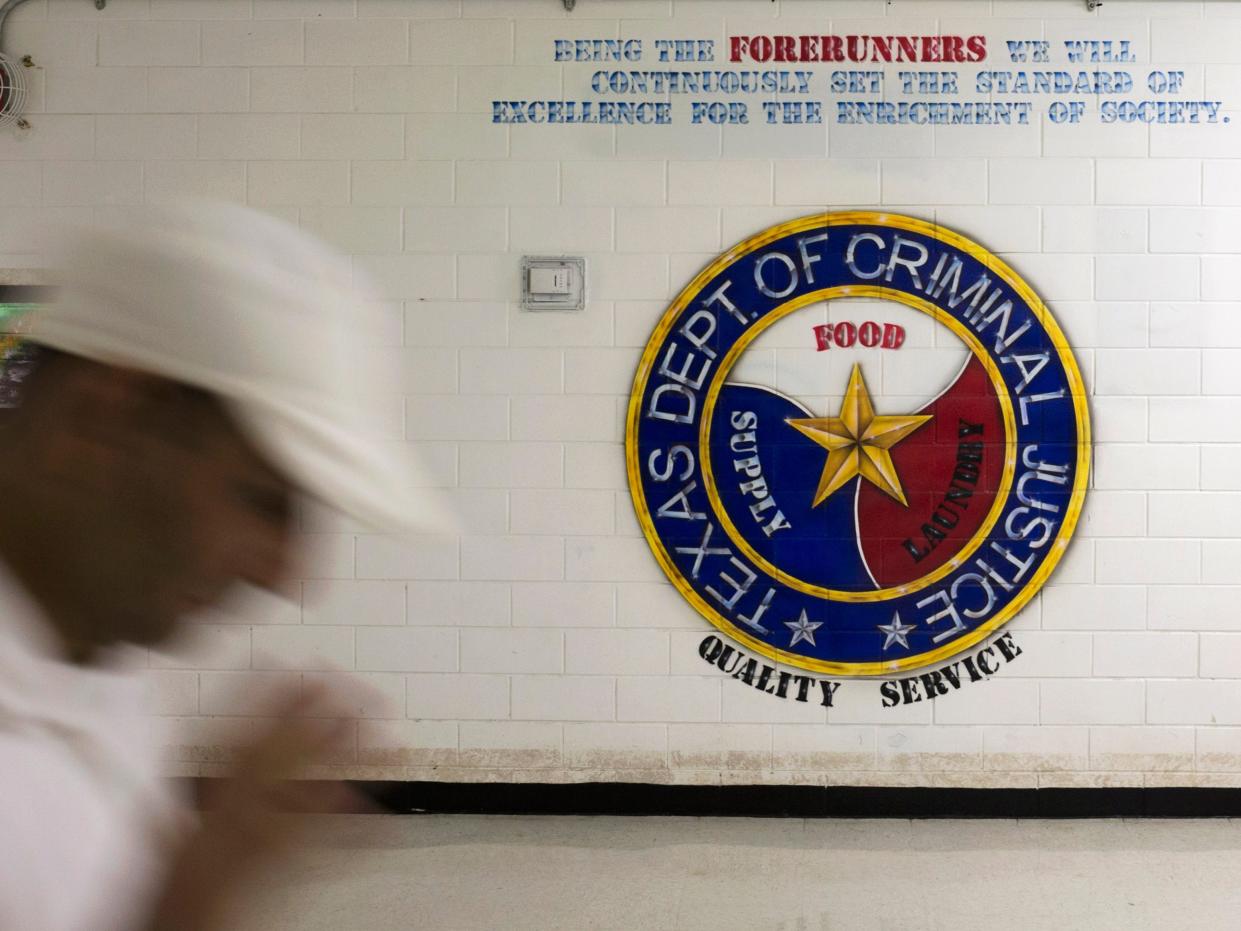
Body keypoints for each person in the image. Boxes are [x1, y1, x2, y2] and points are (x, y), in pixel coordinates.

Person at [0, 203, 448, 930]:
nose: (286, 574)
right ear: (101, 419)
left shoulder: (94, 662)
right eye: (262, 499)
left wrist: (204, 873)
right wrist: (197, 890)